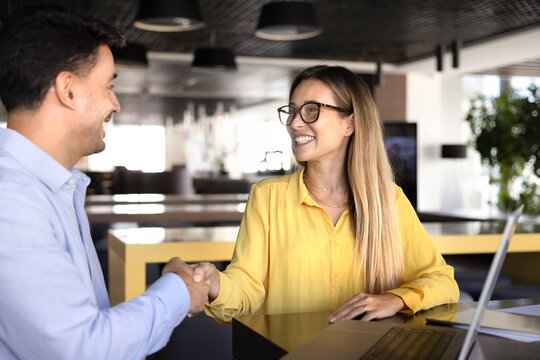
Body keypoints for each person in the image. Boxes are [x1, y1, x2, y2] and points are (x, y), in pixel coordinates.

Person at [0, 5, 208, 359]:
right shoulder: (11, 200)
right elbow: (85, 348)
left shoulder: (52, 187)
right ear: (68, 90)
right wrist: (180, 289)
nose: (116, 103)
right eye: (108, 85)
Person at [192, 65, 459, 323]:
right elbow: (246, 288)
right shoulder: (267, 198)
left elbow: (443, 281)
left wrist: (396, 299)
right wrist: (215, 282)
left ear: (350, 124)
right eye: (292, 111)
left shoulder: (389, 200)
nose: (295, 123)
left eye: (311, 110)